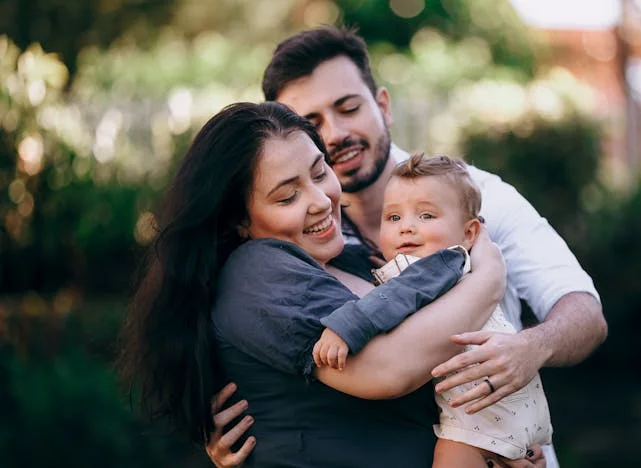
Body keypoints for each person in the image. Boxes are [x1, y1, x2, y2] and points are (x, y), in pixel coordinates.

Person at [207, 26, 607, 467]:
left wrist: (532, 348)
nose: (336, 133)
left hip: (508, 442)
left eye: (347, 108)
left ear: (382, 105)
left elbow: (585, 313)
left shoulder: (475, 195)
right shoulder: (314, 243)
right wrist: (257, 429)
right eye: (314, 122)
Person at [119, 100, 528, 467]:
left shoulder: (350, 258)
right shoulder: (257, 272)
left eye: (319, 172)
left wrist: (496, 448)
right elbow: (388, 369)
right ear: (238, 221)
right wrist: (488, 275)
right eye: (286, 197)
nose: (319, 200)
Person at [313, 153, 554, 467]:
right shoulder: (446, 269)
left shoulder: (442, 263)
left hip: (482, 410)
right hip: (504, 406)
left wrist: (345, 326)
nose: (407, 228)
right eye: (394, 218)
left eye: (426, 216)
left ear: (469, 234)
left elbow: (397, 297)